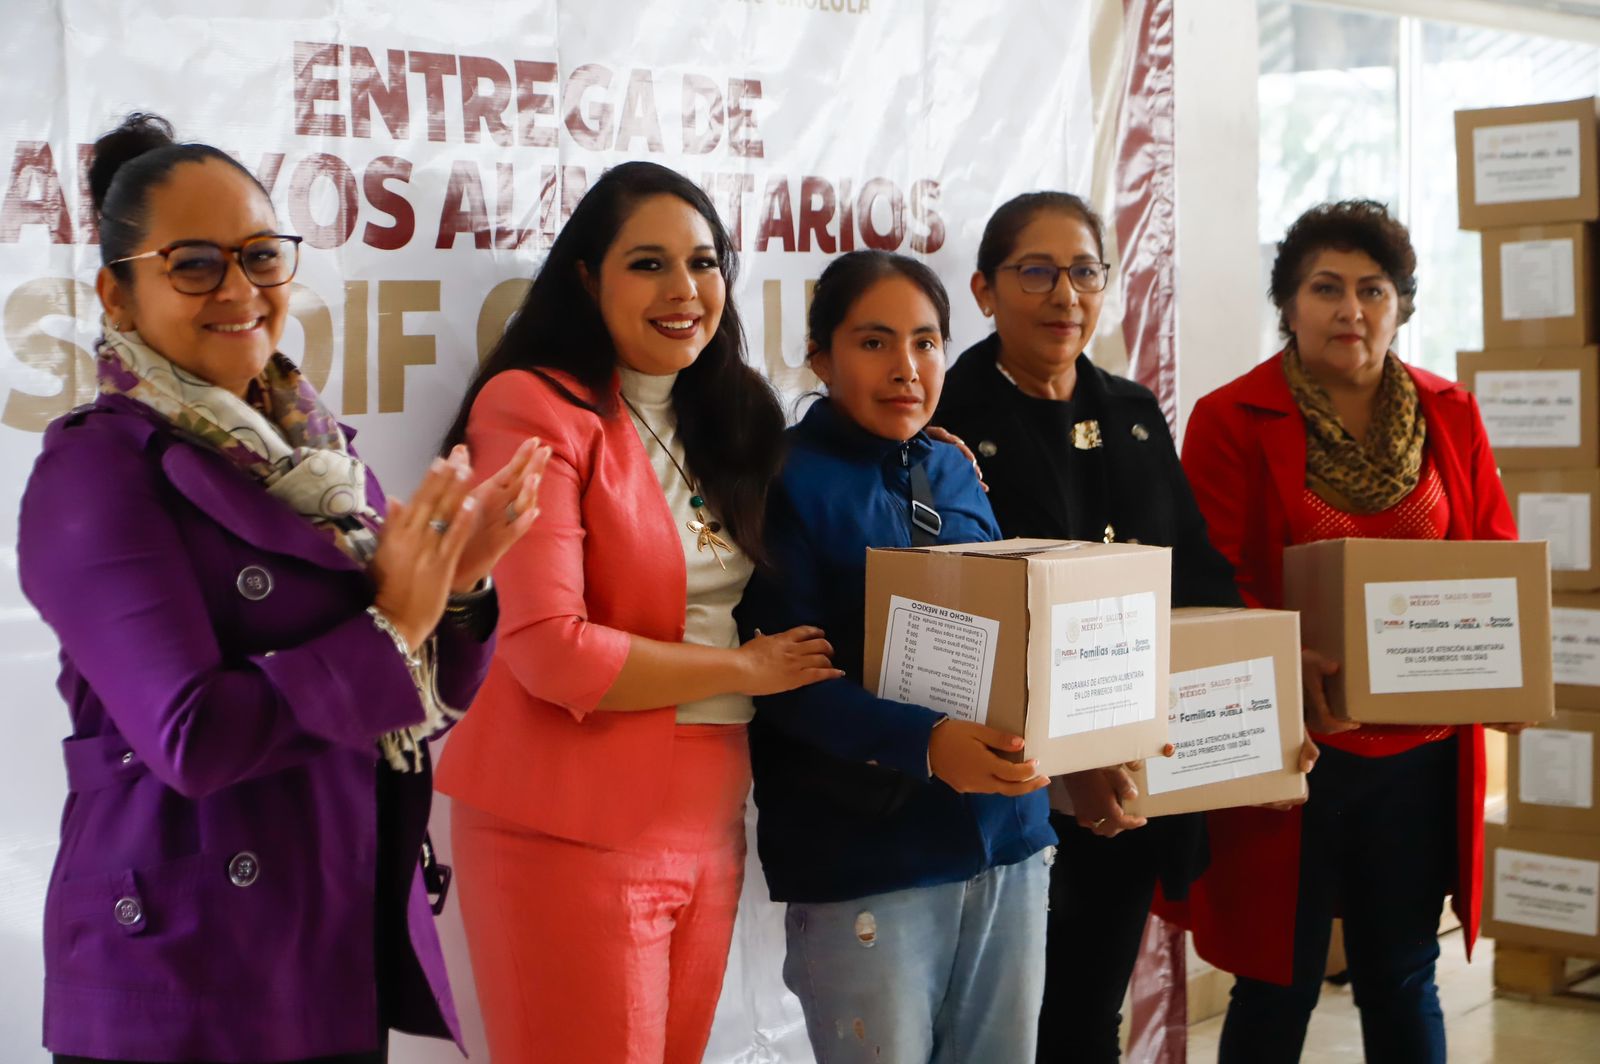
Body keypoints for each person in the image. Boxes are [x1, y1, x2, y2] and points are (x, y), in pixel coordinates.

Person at [20, 113, 547, 1064]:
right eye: (193, 264)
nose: (239, 290)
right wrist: (397, 622)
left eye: (261, 257)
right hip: (186, 976)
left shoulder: (320, 456)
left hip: (327, 936)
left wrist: (458, 594)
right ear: (118, 293)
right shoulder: (95, 471)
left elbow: (421, 700)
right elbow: (193, 736)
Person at [434, 161, 838, 1064]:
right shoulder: (531, 406)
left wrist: (924, 450)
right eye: (648, 264)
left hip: (710, 814)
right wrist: (746, 669)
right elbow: (550, 651)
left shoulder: (725, 413)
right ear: (588, 277)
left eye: (703, 262)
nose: (684, 290)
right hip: (568, 824)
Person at [1176, 199, 1525, 1063]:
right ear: (1288, 304)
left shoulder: (1451, 413)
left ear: (1401, 304)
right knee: (1276, 981)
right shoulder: (1228, 420)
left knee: (1404, 972)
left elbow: (1491, 558)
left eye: (1373, 289)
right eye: (1324, 288)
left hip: (1422, 754)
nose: (1350, 310)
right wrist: (1278, 661)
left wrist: (1509, 672)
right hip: (1292, 751)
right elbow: (1208, 581)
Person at [929, 190, 1242, 1062]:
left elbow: (1199, 576)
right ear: (986, 291)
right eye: (1036, 272)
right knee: (997, 1028)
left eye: (1084, 271)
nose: (1065, 294)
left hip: (1130, 780)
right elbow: (953, 626)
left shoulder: (1135, 412)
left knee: (1084, 1017)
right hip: (1008, 782)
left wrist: (1265, 698)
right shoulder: (945, 421)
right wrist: (1068, 763)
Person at [737, 250, 1056, 1064]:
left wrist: (1083, 749)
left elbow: (1008, 646)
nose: (906, 368)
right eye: (874, 343)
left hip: (1007, 840)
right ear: (820, 356)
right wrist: (925, 744)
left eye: (926, 342)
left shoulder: (952, 467)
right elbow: (788, 683)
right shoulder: (780, 482)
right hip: (867, 856)